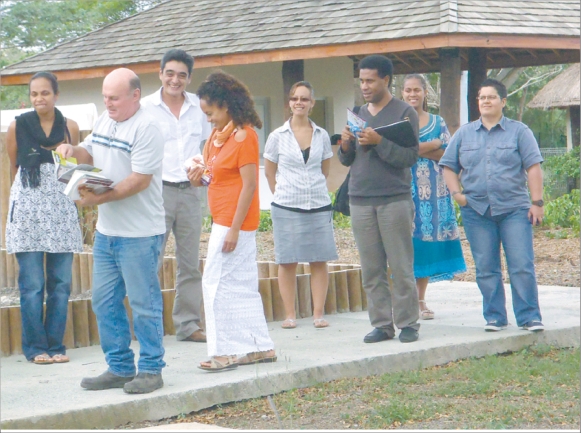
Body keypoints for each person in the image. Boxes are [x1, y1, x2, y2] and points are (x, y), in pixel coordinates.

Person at [57, 68, 167, 393]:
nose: (108, 103)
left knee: (144, 303)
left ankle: (151, 369)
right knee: (104, 301)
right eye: (105, 97)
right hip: (108, 231)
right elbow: (90, 150)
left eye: (115, 98)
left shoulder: (147, 127)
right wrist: (71, 151)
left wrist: (99, 198)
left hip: (140, 232)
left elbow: (140, 180)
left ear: (135, 95)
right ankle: (119, 367)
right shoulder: (106, 119)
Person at [440, 78, 545, 333]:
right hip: (476, 211)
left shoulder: (520, 131)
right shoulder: (464, 133)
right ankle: (495, 317)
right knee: (486, 267)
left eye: (491, 97)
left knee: (521, 264)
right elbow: (448, 166)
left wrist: (537, 203)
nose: (485, 101)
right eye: (482, 97)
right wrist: (458, 195)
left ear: (503, 101)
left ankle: (529, 317)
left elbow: (533, 167)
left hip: (514, 209)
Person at [187, 71, 276, 371]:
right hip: (221, 218)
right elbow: (211, 178)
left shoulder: (245, 136)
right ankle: (258, 346)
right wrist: (197, 178)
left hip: (234, 222)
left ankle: (223, 351)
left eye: (211, 112)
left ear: (226, 106)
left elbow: (249, 186)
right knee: (240, 284)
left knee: (215, 283)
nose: (209, 119)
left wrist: (234, 229)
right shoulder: (215, 139)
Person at [339, 55, 421, 344]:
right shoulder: (357, 113)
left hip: (393, 199)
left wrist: (380, 142)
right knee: (372, 269)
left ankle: (408, 323)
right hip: (360, 199)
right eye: (362, 81)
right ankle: (382, 325)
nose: (364, 86)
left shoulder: (404, 112)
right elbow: (347, 160)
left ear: (386, 80)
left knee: (400, 266)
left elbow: (410, 157)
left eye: (370, 81)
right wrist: (346, 145)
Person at [5, 72, 82, 365]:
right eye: (34, 94)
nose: (39, 99)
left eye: (45, 93)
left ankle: (56, 346)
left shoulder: (70, 127)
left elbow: (72, 170)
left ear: (56, 95)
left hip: (61, 211)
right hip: (28, 213)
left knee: (61, 284)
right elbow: (15, 167)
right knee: (32, 285)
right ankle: (36, 348)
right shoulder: (18, 126)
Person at [141, 49, 211, 343]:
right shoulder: (145, 108)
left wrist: (205, 174)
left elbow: (209, 147)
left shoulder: (200, 107)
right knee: (150, 261)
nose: (175, 80)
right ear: (160, 74)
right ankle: (148, 327)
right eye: (169, 73)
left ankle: (188, 324)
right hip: (156, 192)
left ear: (189, 78)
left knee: (190, 263)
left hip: (191, 192)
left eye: (182, 75)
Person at [264, 81, 338, 329]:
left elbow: (324, 170)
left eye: (304, 99)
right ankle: (290, 315)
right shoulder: (276, 136)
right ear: (289, 102)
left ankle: (318, 314)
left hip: (318, 204)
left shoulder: (322, 135)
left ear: (312, 103)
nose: (299, 103)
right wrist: (283, 194)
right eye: (295, 98)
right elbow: (270, 172)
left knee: (319, 260)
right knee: (287, 261)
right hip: (286, 205)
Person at [401, 74, 466, 320]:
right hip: (402, 191)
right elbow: (394, 152)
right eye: (408, 90)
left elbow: (447, 156)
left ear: (424, 92)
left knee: (425, 245)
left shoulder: (438, 122)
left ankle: (420, 300)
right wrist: (431, 145)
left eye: (416, 90)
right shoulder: (395, 121)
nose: (412, 94)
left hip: (434, 194)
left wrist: (415, 150)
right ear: (402, 93)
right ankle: (403, 301)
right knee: (403, 245)